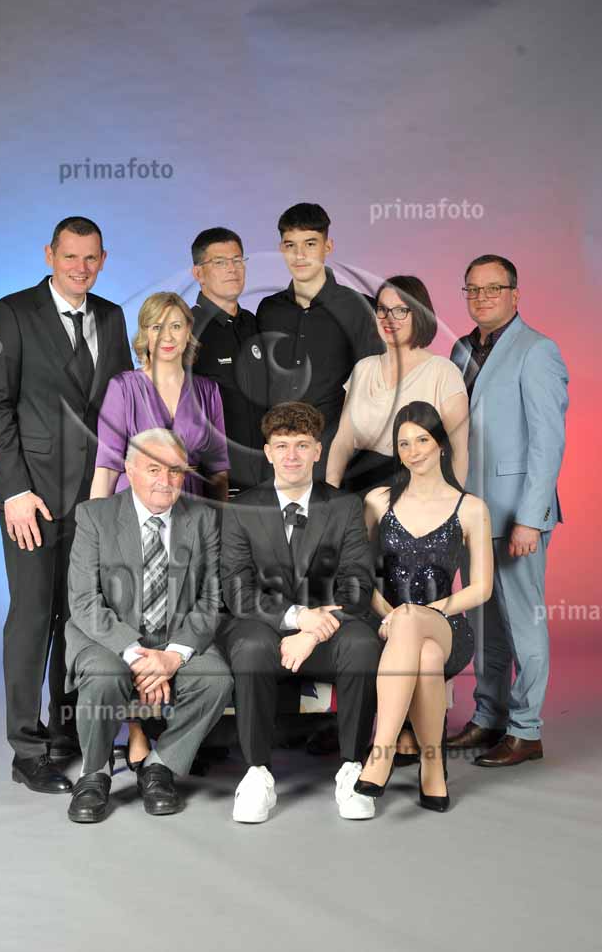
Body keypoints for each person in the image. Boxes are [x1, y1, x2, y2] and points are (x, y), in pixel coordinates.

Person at [0, 216, 133, 793]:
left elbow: (120, 404)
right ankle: (27, 749)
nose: (80, 268)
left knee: (79, 617)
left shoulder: (112, 317)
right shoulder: (12, 313)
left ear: (103, 259)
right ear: (50, 255)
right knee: (31, 617)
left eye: (91, 258)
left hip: (94, 496)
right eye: (70, 256)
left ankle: (65, 731)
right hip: (34, 496)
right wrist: (14, 490)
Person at [220, 402, 382, 823]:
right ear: (268, 452)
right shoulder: (242, 507)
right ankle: (257, 773)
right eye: (282, 445)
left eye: (302, 445)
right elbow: (237, 590)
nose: (291, 455)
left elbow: (357, 584)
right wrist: (296, 618)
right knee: (251, 648)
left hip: (327, 628)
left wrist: (313, 631)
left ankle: (353, 769)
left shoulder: (344, 506)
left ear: (317, 451)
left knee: (363, 645)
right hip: (265, 627)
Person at [64, 429, 233, 824]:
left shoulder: (203, 518)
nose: (166, 480)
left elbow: (211, 599)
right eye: (154, 469)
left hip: (175, 637)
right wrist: (137, 656)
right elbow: (85, 601)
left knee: (216, 679)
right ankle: (94, 773)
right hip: (108, 638)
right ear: (129, 470)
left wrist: (173, 657)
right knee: (104, 676)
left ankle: (160, 766)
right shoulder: (95, 516)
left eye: (175, 470)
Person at [446, 255, 568, 766]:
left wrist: (531, 519)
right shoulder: (460, 349)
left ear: (515, 294)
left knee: (523, 623)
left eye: (493, 288)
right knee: (484, 625)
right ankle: (488, 717)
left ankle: (526, 730)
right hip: (469, 512)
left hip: (516, 515)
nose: (482, 297)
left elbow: (547, 442)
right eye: (473, 289)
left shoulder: (537, 351)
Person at [355, 401, 493, 811]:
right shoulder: (378, 501)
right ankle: (433, 766)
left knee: (426, 635)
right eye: (404, 444)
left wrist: (420, 614)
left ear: (441, 445)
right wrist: (391, 616)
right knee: (426, 656)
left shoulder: (470, 508)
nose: (413, 451)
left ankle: (382, 751)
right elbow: (358, 574)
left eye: (422, 441)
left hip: (447, 625)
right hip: (387, 624)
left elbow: (482, 587)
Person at [256, 203, 382, 479]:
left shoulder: (358, 308)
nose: (299, 255)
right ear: (281, 248)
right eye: (290, 245)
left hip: (337, 458)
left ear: (328, 246)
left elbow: (371, 387)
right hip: (277, 460)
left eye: (310, 244)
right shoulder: (268, 310)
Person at [326, 275, 469, 493]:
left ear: (419, 314)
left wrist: (452, 504)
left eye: (400, 310)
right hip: (356, 492)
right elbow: (342, 442)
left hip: (417, 494)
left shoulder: (443, 372)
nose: (388, 319)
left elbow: (459, 453)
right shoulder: (363, 369)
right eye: (382, 310)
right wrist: (330, 493)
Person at [91, 291, 230, 501]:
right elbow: (107, 468)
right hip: (134, 506)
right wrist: (94, 520)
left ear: (188, 331)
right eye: (157, 327)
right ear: (145, 334)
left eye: (176, 326)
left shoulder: (208, 391)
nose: (167, 336)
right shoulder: (122, 388)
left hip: (192, 507)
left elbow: (218, 472)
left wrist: (221, 518)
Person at [190, 226, 268, 493]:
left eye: (237, 260)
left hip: (264, 479)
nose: (232, 269)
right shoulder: (185, 329)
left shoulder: (254, 324)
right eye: (220, 262)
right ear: (198, 273)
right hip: (213, 484)